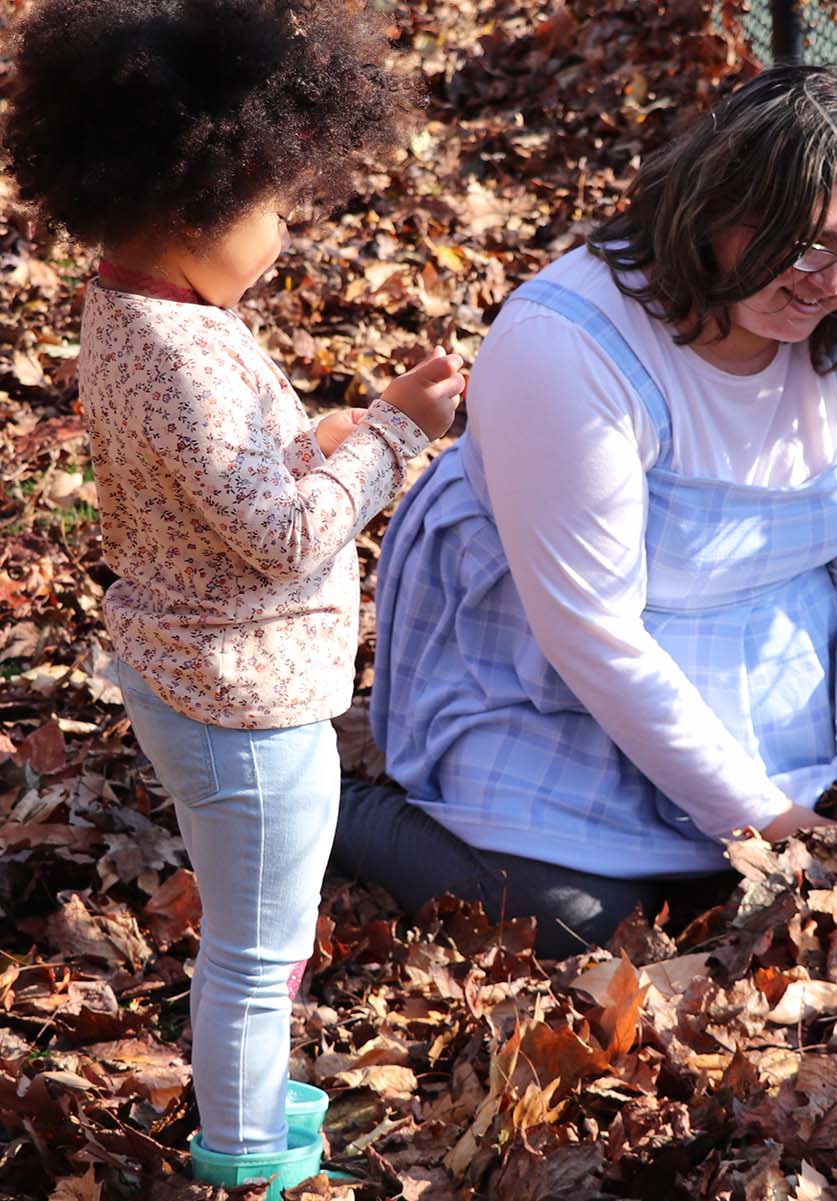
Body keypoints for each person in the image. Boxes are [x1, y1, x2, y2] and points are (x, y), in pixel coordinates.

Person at [333, 65, 837, 958]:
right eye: (804, 249)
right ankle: (331, 807)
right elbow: (593, 632)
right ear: (712, 207)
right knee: (580, 922)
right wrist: (769, 824)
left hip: (775, 677)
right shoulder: (568, 344)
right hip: (561, 681)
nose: (828, 283)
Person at [0, 0, 466, 1190]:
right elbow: (277, 535)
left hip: (205, 672)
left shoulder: (150, 310)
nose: (285, 233)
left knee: (262, 936)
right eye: (275, 207)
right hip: (241, 701)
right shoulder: (181, 355)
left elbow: (224, 486)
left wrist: (313, 438)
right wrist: (395, 441)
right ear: (191, 205)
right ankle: (249, 1157)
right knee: (258, 956)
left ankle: (250, 1098)